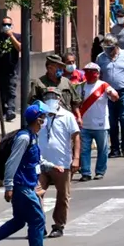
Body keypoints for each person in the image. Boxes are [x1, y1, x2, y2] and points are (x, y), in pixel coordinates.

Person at [0, 101, 59, 246]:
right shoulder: (23, 138)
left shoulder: (32, 137)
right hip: (21, 186)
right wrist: (8, 187)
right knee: (38, 219)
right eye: (43, 117)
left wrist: (52, 166)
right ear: (38, 120)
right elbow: (12, 163)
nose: (45, 121)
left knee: (19, 221)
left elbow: (35, 161)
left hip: (27, 185)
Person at [36, 89, 80, 238]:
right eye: (47, 96)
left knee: (62, 195)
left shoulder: (67, 116)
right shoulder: (40, 116)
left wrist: (76, 158)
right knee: (36, 194)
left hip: (62, 163)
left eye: (53, 97)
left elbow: (76, 137)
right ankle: (39, 224)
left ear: (59, 99)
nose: (50, 99)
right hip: (41, 163)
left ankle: (59, 225)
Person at [96, 34, 124, 158]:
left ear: (115, 46)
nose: (107, 50)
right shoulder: (101, 58)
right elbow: (98, 75)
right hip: (108, 92)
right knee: (112, 121)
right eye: (105, 48)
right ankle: (114, 148)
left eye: (109, 48)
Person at [30, 54, 81, 124]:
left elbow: (75, 102)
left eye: (62, 67)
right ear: (49, 68)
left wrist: (79, 117)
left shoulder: (66, 82)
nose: (61, 69)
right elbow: (33, 105)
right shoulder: (39, 83)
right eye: (58, 67)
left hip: (66, 120)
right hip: (46, 122)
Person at [0, 16, 22, 121]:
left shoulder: (17, 36)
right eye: (4, 24)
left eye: (8, 24)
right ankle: (3, 112)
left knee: (11, 90)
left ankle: (11, 111)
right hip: (0, 69)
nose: (6, 26)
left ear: (12, 25)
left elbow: (19, 48)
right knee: (1, 91)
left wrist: (11, 36)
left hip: (12, 69)